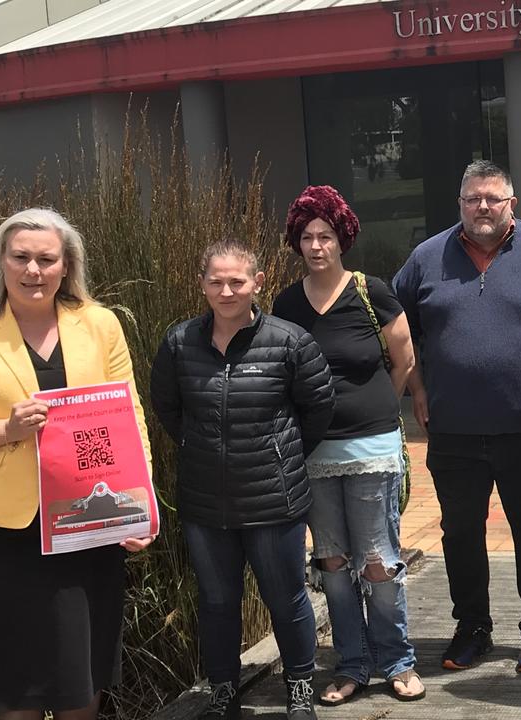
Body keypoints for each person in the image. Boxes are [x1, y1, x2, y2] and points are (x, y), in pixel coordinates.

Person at [0, 208, 153, 719]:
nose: (33, 270)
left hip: (88, 521)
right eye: (20, 257)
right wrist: (5, 430)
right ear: (1, 262)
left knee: (81, 677)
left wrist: (139, 508)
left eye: (46, 259)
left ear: (67, 266)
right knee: (14, 681)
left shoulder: (100, 323)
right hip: (3, 531)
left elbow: (129, 415)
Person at [392, 160, 521, 672]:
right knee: (460, 531)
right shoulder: (427, 258)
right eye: (472, 198)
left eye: (492, 198)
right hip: (452, 427)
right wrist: (416, 385)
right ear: (460, 203)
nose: (481, 207)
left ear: (511, 204)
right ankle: (473, 627)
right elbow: (394, 323)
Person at [150, 240, 335, 720]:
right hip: (205, 502)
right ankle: (224, 692)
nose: (226, 290)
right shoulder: (178, 342)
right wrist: (200, 448)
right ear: (202, 284)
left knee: (285, 597)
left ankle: (298, 688)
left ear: (256, 282)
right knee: (216, 602)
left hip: (274, 499)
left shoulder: (290, 341)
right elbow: (167, 408)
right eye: (216, 281)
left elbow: (317, 411)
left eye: (237, 281)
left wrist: (280, 455)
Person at [273, 185, 424, 704]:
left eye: (326, 236)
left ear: (343, 239)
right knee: (333, 565)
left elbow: (402, 360)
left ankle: (398, 661)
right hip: (313, 455)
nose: (317, 246)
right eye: (308, 237)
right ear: (298, 243)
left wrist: (382, 408)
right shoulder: (287, 303)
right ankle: (352, 665)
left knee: (379, 562)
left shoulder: (371, 291)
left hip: (370, 452)